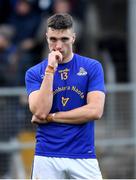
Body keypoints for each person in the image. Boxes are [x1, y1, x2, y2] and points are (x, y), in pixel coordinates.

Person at [25, 13, 106, 179]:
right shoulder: (34, 73)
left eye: (64, 39)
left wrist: (52, 117)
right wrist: (50, 70)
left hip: (83, 154)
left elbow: (95, 111)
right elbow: (40, 112)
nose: (58, 46)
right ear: (46, 38)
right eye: (53, 39)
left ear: (73, 38)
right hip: (47, 155)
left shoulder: (92, 67)